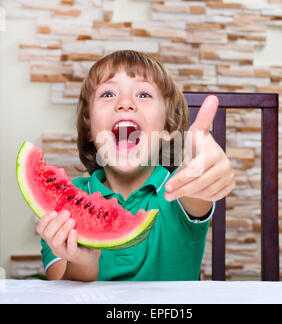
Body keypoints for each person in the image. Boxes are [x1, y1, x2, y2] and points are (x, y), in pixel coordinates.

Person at [36, 50, 235, 282]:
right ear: (89, 127)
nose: (125, 103)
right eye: (108, 93)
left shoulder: (178, 192)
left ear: (168, 127)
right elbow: (61, 291)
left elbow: (197, 192)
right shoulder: (65, 205)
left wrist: (206, 171)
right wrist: (83, 262)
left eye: (143, 94)